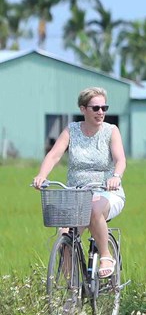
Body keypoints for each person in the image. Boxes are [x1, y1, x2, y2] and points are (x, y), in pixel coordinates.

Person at [32, 87, 126, 279]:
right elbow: (54, 155)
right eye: (95, 108)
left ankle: (106, 256)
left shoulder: (111, 131)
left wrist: (116, 176)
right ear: (83, 109)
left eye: (104, 107)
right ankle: (70, 290)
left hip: (106, 191)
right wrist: (42, 175)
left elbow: (120, 159)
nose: (101, 112)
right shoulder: (71, 130)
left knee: (93, 209)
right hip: (76, 194)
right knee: (64, 235)